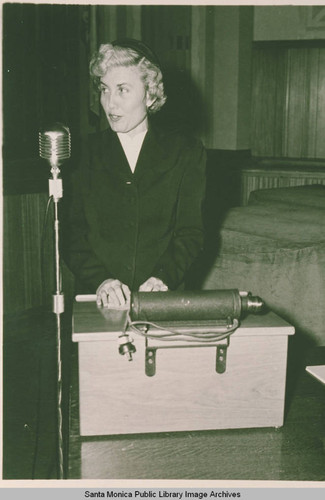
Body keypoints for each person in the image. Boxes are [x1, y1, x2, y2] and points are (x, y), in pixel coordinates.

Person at [64, 38, 206, 308]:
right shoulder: (82, 152)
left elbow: (190, 232)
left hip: (164, 297)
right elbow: (72, 233)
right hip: (98, 299)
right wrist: (101, 281)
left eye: (122, 90)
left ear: (150, 94)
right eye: (105, 90)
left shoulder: (186, 151)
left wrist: (163, 278)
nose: (110, 104)